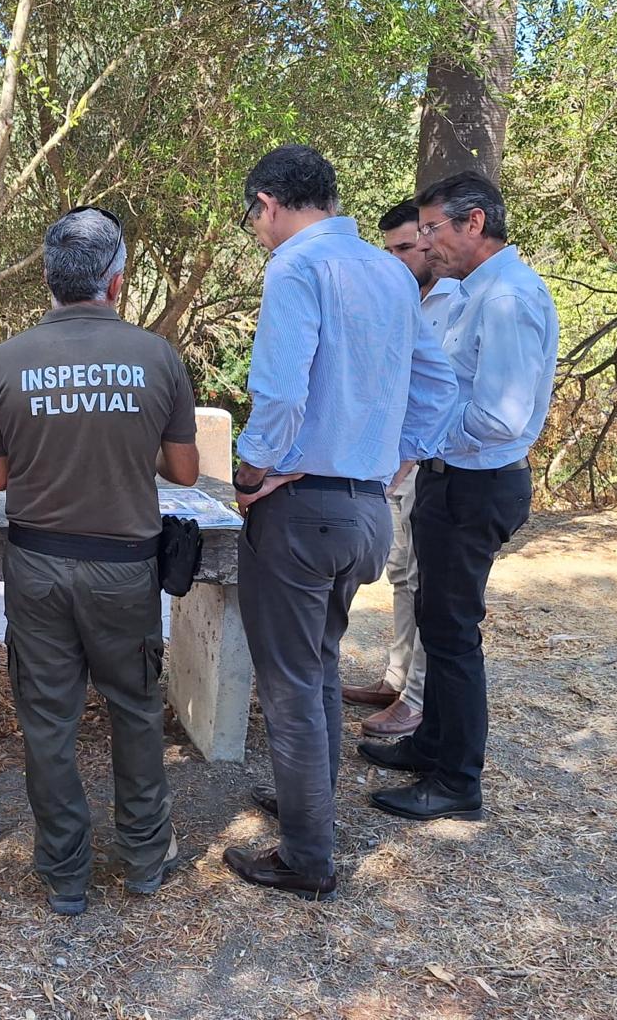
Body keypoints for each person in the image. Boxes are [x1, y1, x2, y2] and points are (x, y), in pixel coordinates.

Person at [220, 146, 456, 901]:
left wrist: (251, 472)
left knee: (289, 682)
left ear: (268, 202)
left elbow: (281, 390)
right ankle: (306, 802)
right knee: (318, 661)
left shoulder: (296, 266)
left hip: (299, 508)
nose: (256, 231)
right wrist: (400, 460)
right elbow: (439, 380)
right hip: (363, 511)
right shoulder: (389, 268)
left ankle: (308, 857)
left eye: (252, 217)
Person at [0, 206, 200, 916]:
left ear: (48, 277)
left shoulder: (4, 361)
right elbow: (186, 472)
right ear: (118, 282)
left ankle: (65, 872)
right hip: (124, 569)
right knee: (134, 710)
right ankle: (142, 859)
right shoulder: (158, 357)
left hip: (37, 566)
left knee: (47, 720)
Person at [364, 171, 559, 822]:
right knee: (436, 622)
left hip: (477, 482)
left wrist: (423, 438)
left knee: (453, 636)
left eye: (432, 229)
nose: (426, 243)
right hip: (451, 478)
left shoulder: (507, 296)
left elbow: (501, 418)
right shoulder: (470, 291)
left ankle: (456, 783)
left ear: (473, 223)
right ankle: (430, 745)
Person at [342, 200, 463, 738]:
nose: (397, 259)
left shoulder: (456, 300)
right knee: (401, 574)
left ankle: (415, 698)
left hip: (432, 456)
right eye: (388, 250)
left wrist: (414, 453)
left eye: (407, 248)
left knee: (425, 582)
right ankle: (396, 679)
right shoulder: (398, 295)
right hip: (395, 457)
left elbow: (443, 386)